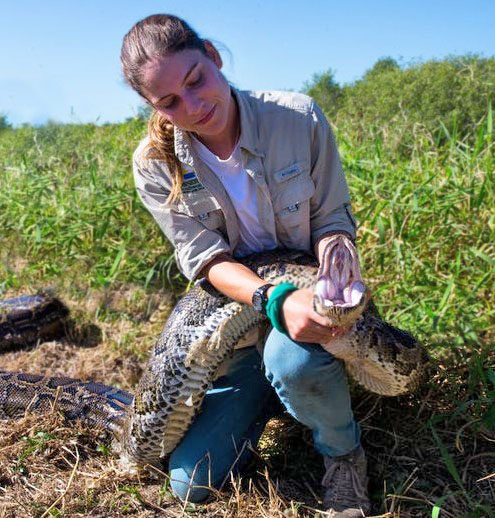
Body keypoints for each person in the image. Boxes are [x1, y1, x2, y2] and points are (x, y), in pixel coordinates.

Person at [121, 14, 370, 517]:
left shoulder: (298, 118)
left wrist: (338, 254)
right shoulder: (153, 162)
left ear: (213, 56)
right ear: (152, 105)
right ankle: (270, 395)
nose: (192, 107)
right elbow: (205, 259)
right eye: (169, 102)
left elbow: (332, 217)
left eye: (197, 81)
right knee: (189, 485)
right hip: (240, 309)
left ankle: (344, 454)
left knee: (295, 359)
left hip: (312, 292)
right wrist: (272, 298)